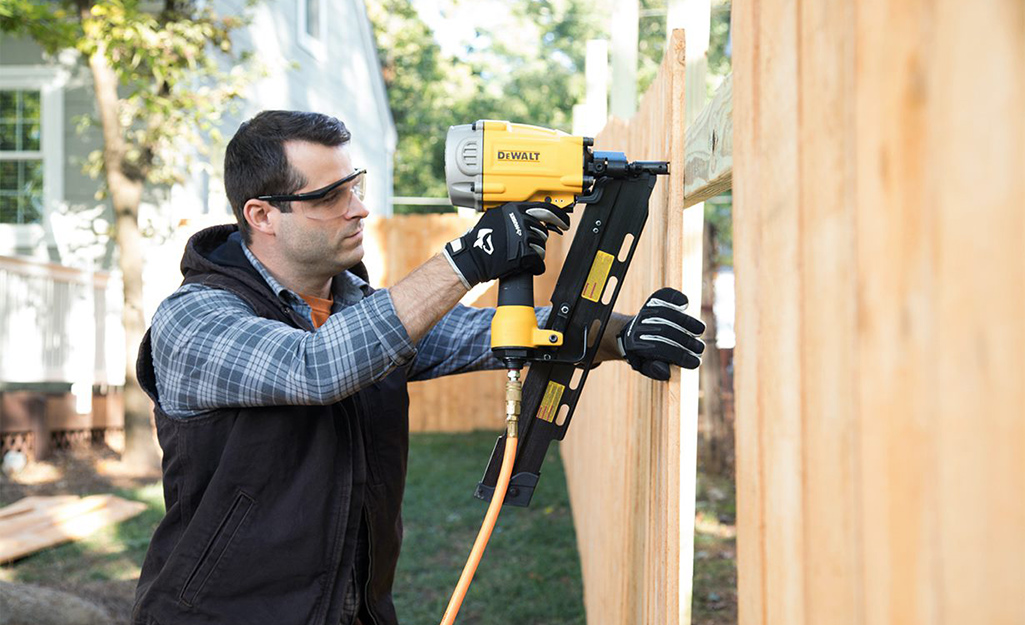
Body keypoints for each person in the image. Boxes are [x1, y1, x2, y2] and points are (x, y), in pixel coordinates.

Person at [131, 110, 706, 625]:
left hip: (355, 609)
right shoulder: (195, 319)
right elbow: (314, 368)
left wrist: (621, 333)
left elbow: (478, 334)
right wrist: (465, 260)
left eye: (354, 185)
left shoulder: (356, 309)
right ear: (262, 214)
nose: (358, 207)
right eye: (331, 195)